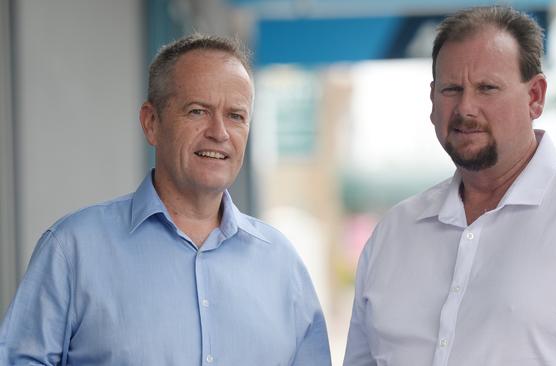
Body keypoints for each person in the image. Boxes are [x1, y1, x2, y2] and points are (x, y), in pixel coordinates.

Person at [344, 6, 556, 366]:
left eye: (487, 88)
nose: (466, 107)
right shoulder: (393, 234)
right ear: (431, 100)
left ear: (535, 96)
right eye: (451, 89)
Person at [0, 34, 331, 365]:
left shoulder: (281, 264)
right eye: (198, 111)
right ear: (151, 122)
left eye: (236, 115)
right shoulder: (72, 251)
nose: (220, 132)